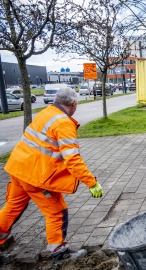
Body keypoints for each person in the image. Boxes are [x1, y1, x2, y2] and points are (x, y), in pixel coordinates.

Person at [0, 88, 103, 259]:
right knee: (57, 212)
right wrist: (91, 182)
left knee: (13, 207)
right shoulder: (63, 123)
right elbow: (72, 159)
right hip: (35, 176)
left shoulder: (46, 112)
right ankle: (59, 251)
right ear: (74, 103)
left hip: (17, 168)